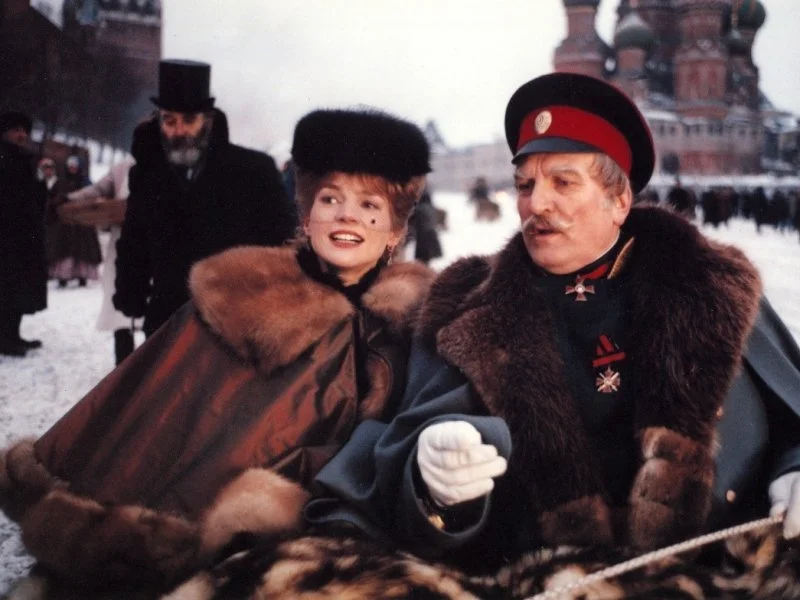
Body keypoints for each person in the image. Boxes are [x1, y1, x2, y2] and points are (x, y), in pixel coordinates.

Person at [304, 72, 800, 573]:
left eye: (563, 182)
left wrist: (795, 466)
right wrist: (429, 482)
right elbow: (405, 449)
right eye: (525, 185)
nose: (535, 203)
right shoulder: (466, 309)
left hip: (712, 578)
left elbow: (790, 414)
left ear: (619, 201)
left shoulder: (713, 287)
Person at [0, 107, 434, 595]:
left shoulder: (417, 327)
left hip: (316, 552)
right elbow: (154, 412)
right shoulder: (239, 292)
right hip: (184, 537)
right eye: (330, 199)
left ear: (395, 231)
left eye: (369, 205)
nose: (347, 215)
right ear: (307, 213)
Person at [113, 59, 298, 337]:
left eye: (189, 120)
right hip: (167, 321)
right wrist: (130, 291)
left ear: (208, 121)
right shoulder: (147, 175)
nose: (178, 131)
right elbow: (133, 243)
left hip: (234, 322)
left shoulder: (253, 170)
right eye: (169, 121)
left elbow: (281, 244)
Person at [66, 157, 140, 364]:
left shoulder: (168, 163)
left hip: (156, 245)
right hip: (122, 244)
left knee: (156, 317)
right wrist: (69, 198)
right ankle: (124, 369)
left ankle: (156, 371)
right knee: (120, 310)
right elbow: (97, 189)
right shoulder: (123, 167)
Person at [0, 111, 47, 356]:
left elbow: (34, 195)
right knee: (7, 287)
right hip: (7, 235)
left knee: (18, 287)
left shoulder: (24, 158)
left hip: (23, 234)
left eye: (24, 131)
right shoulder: (5, 158)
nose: (21, 135)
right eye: (16, 130)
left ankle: (12, 335)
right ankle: (5, 340)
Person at [46, 154, 102, 288]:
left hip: (82, 223)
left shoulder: (85, 182)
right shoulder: (60, 182)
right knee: (63, 249)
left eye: (75, 166)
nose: (72, 168)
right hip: (64, 224)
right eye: (70, 166)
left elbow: (93, 198)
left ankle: (82, 276)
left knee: (83, 250)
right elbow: (51, 199)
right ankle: (63, 277)